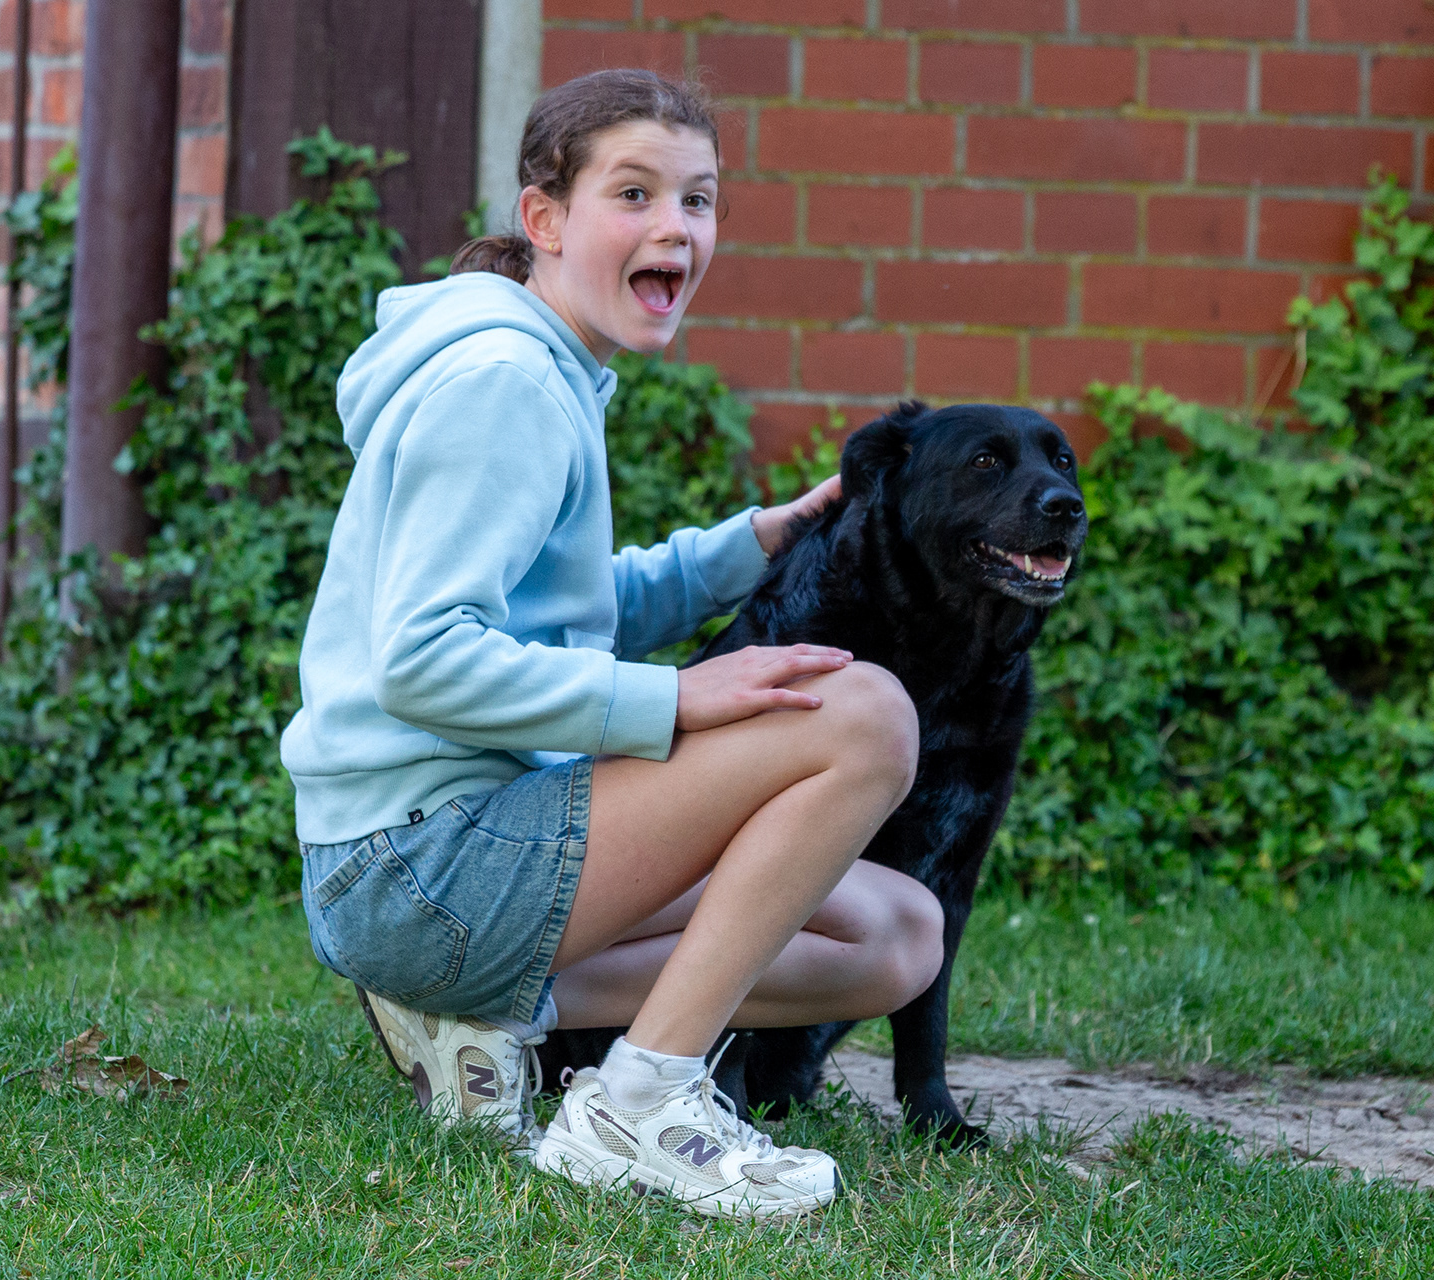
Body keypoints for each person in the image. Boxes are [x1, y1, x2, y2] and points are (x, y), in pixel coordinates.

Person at [279, 69, 944, 1220]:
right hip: (417, 861)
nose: (675, 227)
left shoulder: (546, 368)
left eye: (699, 199)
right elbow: (424, 658)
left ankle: (473, 1011)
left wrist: (751, 544)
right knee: (867, 717)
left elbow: (555, 611)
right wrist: (673, 700)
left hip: (440, 859)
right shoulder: (504, 384)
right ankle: (639, 1101)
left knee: (893, 936)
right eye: (634, 194)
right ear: (545, 218)